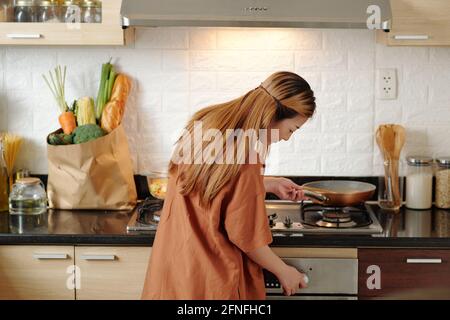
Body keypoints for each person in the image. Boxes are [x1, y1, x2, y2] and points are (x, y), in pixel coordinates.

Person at [142, 71, 316, 299]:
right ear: (273, 115)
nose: (286, 138)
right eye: (291, 129)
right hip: (213, 279)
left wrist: (266, 184)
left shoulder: (206, 121)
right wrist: (283, 271)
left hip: (176, 268)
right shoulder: (247, 153)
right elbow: (245, 235)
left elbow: (208, 188)